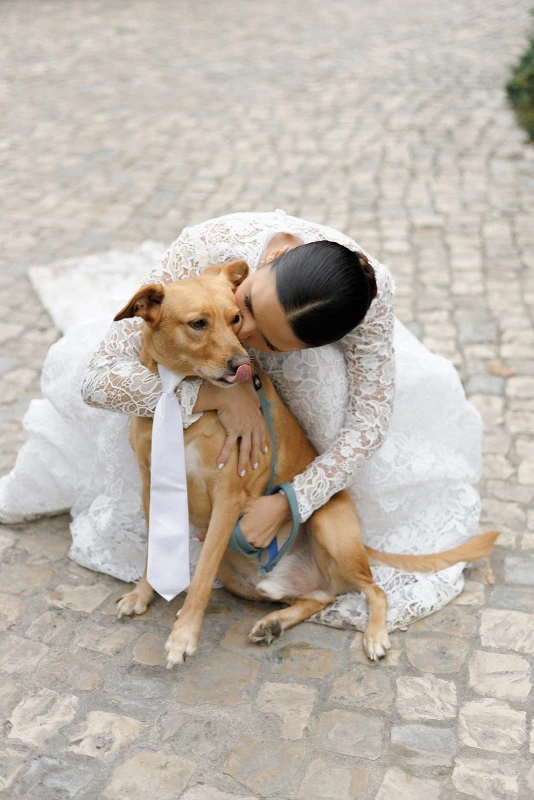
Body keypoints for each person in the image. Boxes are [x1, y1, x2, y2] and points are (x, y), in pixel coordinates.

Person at [0, 210, 482, 631]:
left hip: (307, 402)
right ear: (259, 265)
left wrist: (293, 500)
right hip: (201, 364)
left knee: (326, 393)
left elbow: (371, 424)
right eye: (245, 308)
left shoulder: (364, 314)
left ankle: (299, 507)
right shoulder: (205, 247)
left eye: (265, 342)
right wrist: (222, 395)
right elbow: (99, 381)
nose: (243, 337)